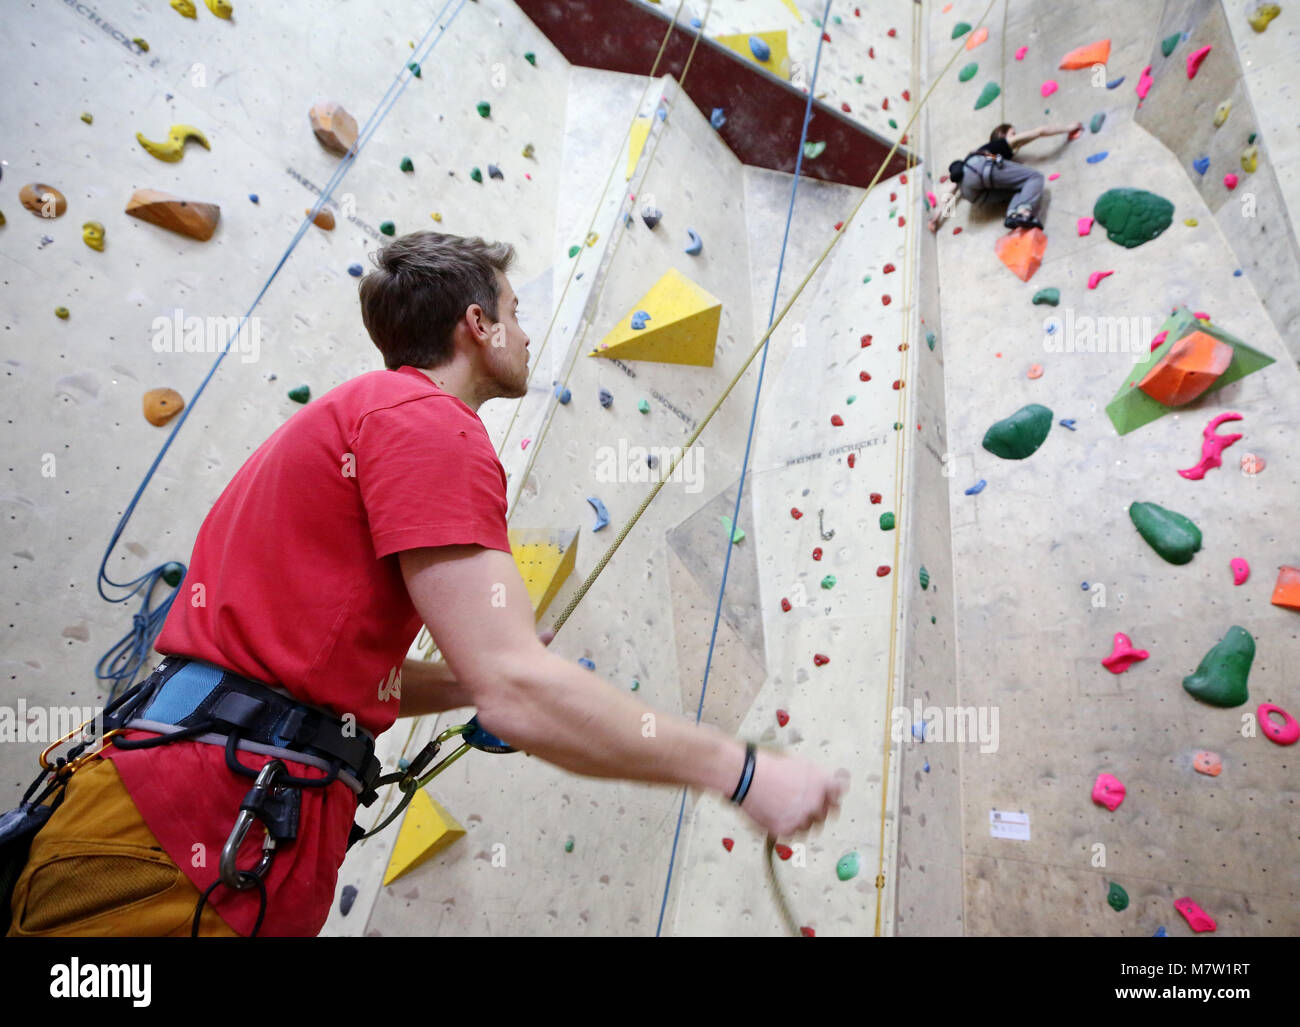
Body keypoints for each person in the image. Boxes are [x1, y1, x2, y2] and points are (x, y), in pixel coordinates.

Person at [7, 232, 847, 937]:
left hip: (179, 816)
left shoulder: (362, 417)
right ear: (476, 325)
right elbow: (519, 692)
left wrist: (467, 681)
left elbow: (318, 667)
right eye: (515, 314)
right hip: (190, 829)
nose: (524, 333)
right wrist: (744, 773)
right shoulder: (428, 424)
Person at [929, 121, 1083, 232]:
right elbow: (1039, 131)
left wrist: (937, 217)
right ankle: (1024, 212)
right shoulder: (1001, 144)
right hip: (983, 169)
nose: (1015, 137)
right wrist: (1069, 127)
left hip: (972, 193)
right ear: (1002, 135)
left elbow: (953, 189)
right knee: (1034, 178)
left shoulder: (974, 155)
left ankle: (1014, 214)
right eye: (1013, 133)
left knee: (1023, 189)